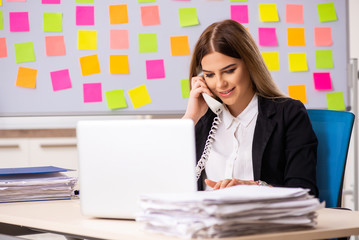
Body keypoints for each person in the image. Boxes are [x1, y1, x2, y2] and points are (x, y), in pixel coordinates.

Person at [182, 19, 318, 197]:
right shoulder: (202, 119)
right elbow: (165, 181)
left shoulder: (288, 114)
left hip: (261, 222)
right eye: (209, 75)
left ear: (249, 64)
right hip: (203, 221)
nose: (220, 84)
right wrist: (190, 118)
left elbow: (305, 193)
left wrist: (253, 187)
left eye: (229, 71)